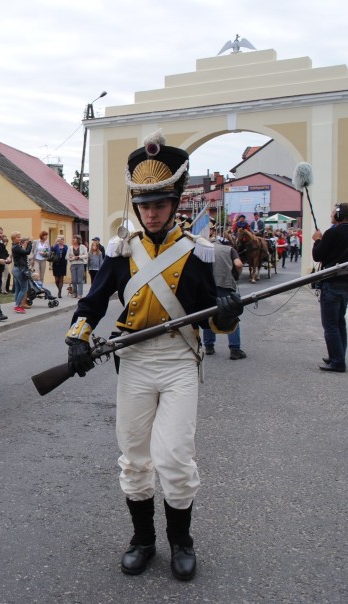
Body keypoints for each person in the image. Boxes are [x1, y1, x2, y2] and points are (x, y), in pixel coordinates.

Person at [64, 130, 242, 582]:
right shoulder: (122, 252)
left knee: (176, 458)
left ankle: (182, 541)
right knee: (135, 457)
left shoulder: (201, 254)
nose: (152, 211)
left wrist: (226, 312)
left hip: (179, 360)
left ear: (175, 202)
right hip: (135, 362)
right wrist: (78, 337)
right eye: (144, 204)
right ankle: (143, 540)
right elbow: (92, 303)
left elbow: (216, 322)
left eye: (160, 203)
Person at [312, 202, 348, 373]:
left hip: (332, 283)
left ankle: (337, 362)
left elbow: (317, 255)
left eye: (333, 212)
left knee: (330, 325)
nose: (331, 215)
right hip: (347, 284)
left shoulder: (331, 233)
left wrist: (317, 240)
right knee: (339, 321)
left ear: (339, 215)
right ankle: (338, 355)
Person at [202, 233, 246, 360]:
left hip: (208, 287)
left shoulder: (204, 249)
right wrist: (236, 276)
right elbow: (238, 264)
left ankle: (209, 346)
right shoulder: (229, 249)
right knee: (231, 314)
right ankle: (235, 349)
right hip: (225, 285)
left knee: (209, 314)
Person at [10, 232, 32, 313]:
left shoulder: (16, 246)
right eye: (18, 237)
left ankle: (17, 305)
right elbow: (27, 252)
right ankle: (18, 306)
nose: (20, 238)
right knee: (24, 288)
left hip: (17, 269)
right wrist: (30, 243)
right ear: (13, 238)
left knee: (18, 288)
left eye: (20, 236)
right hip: (20, 269)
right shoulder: (16, 247)